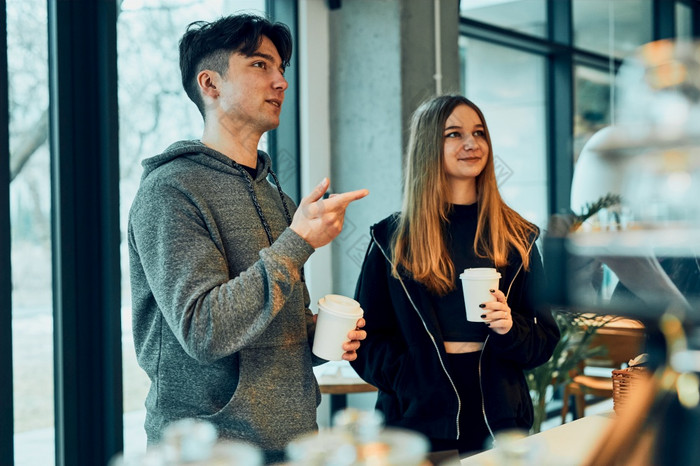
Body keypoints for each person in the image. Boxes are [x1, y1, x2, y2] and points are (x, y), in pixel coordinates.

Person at [127, 14, 368, 462]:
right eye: (260, 65)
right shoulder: (170, 190)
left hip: (294, 441)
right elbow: (205, 331)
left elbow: (259, 325)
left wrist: (318, 338)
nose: (281, 82)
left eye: (282, 70)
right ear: (210, 83)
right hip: (207, 451)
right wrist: (297, 242)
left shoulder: (275, 192)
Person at [350, 94, 560, 454]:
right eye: (454, 134)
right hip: (416, 420)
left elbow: (544, 341)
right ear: (429, 145)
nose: (471, 144)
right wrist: (408, 376)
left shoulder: (517, 236)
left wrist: (510, 329)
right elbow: (365, 339)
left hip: (500, 421)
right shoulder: (391, 239)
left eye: (479, 133)